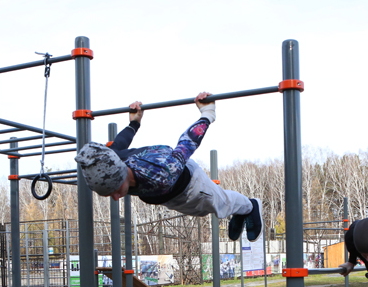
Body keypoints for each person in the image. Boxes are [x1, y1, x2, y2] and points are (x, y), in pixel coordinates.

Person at [75, 92, 263, 242]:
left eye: (116, 191)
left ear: (123, 174)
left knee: (220, 205)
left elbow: (187, 143)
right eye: (109, 195)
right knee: (211, 210)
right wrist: (134, 122)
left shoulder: (161, 174)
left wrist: (207, 114)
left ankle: (250, 206)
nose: (115, 198)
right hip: (169, 194)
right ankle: (240, 210)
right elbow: (118, 144)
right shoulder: (112, 160)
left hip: (190, 186)